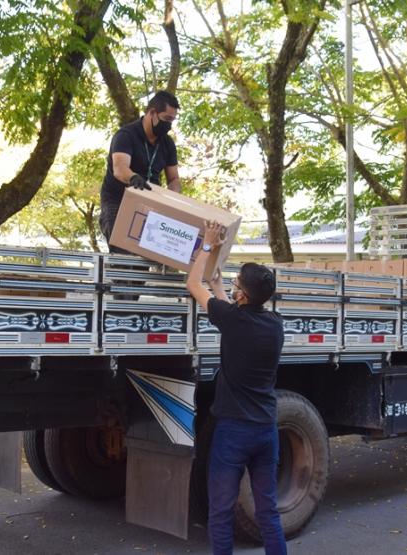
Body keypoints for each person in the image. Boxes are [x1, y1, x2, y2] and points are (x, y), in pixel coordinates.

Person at [185, 222, 287, 555]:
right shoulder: (274, 325)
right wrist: (219, 286)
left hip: (234, 433)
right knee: (267, 510)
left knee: (221, 512)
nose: (232, 288)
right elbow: (233, 310)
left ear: (242, 295)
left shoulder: (233, 319)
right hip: (265, 430)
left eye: (236, 285)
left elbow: (191, 283)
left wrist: (206, 245)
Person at [100, 90, 181, 253]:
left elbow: (173, 179)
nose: (169, 125)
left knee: (143, 257)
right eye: (166, 119)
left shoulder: (167, 144)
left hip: (148, 204)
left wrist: (172, 198)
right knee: (122, 255)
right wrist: (133, 178)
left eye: (172, 121)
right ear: (152, 113)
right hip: (118, 201)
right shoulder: (126, 135)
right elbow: (120, 168)